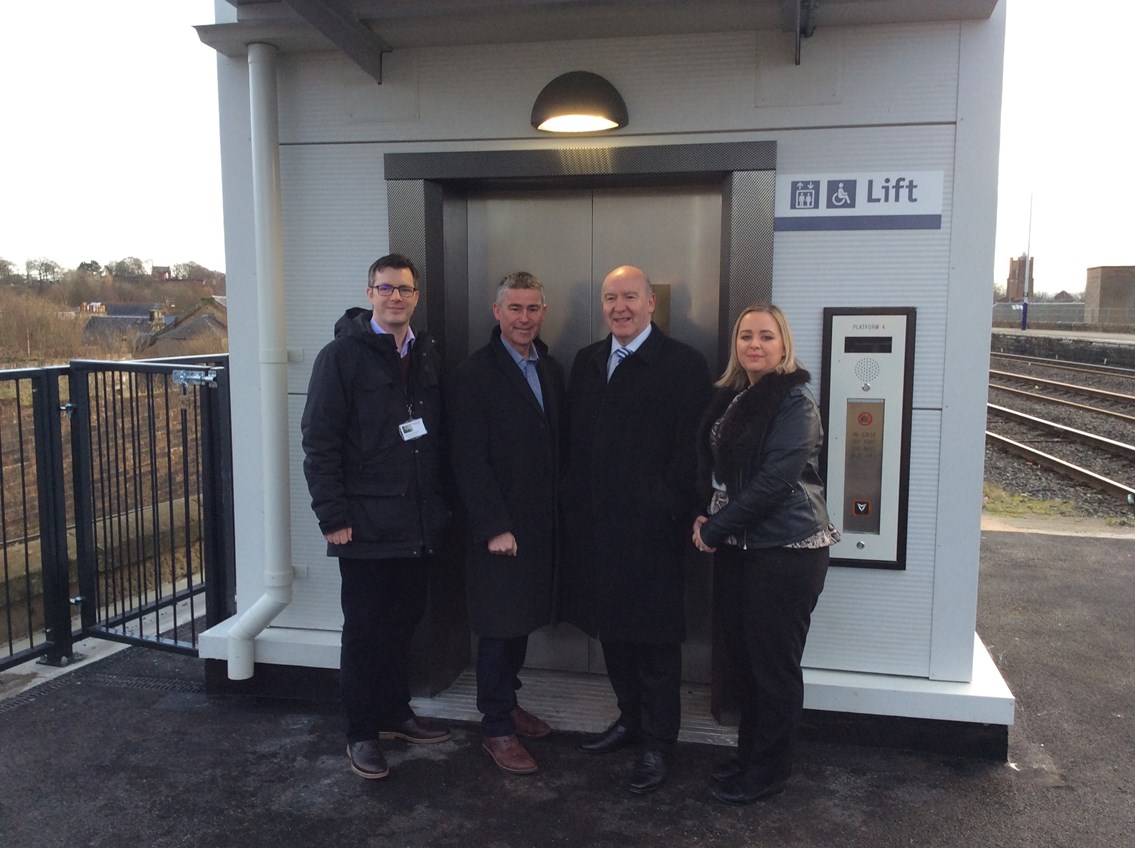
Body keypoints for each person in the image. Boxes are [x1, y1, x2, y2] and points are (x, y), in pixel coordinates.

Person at [300, 253, 453, 781]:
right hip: (362, 527)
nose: (395, 297)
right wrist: (332, 516)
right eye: (385, 288)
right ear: (369, 294)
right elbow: (319, 442)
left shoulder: (427, 354)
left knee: (403, 624)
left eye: (404, 289)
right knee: (364, 631)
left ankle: (393, 712)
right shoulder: (340, 356)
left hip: (416, 526)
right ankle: (361, 732)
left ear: (416, 296)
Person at [561, 265, 712, 794]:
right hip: (597, 533)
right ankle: (629, 720)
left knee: (655, 645)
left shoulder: (683, 365)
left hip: (653, 533)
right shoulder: (587, 362)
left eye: (630, 296)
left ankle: (658, 742)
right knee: (613, 636)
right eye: (610, 298)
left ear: (651, 303)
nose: (619, 307)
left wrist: (663, 506)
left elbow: (692, 452)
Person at [691, 304, 839, 805]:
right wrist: (707, 516)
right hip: (744, 546)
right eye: (746, 336)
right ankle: (750, 757)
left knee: (774, 667)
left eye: (766, 337)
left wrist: (716, 530)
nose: (754, 345)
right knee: (748, 662)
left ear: (783, 346)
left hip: (786, 551)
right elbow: (726, 478)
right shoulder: (739, 397)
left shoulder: (793, 401)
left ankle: (769, 771)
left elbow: (774, 483)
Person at [448, 272, 565, 775]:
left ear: (544, 311)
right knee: (498, 628)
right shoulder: (474, 374)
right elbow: (468, 460)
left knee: (520, 623)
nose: (524, 318)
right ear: (497, 312)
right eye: (514, 308)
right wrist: (494, 525)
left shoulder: (552, 369)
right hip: (498, 529)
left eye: (533, 308)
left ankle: (509, 703)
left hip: (540, 524)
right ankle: (496, 727)